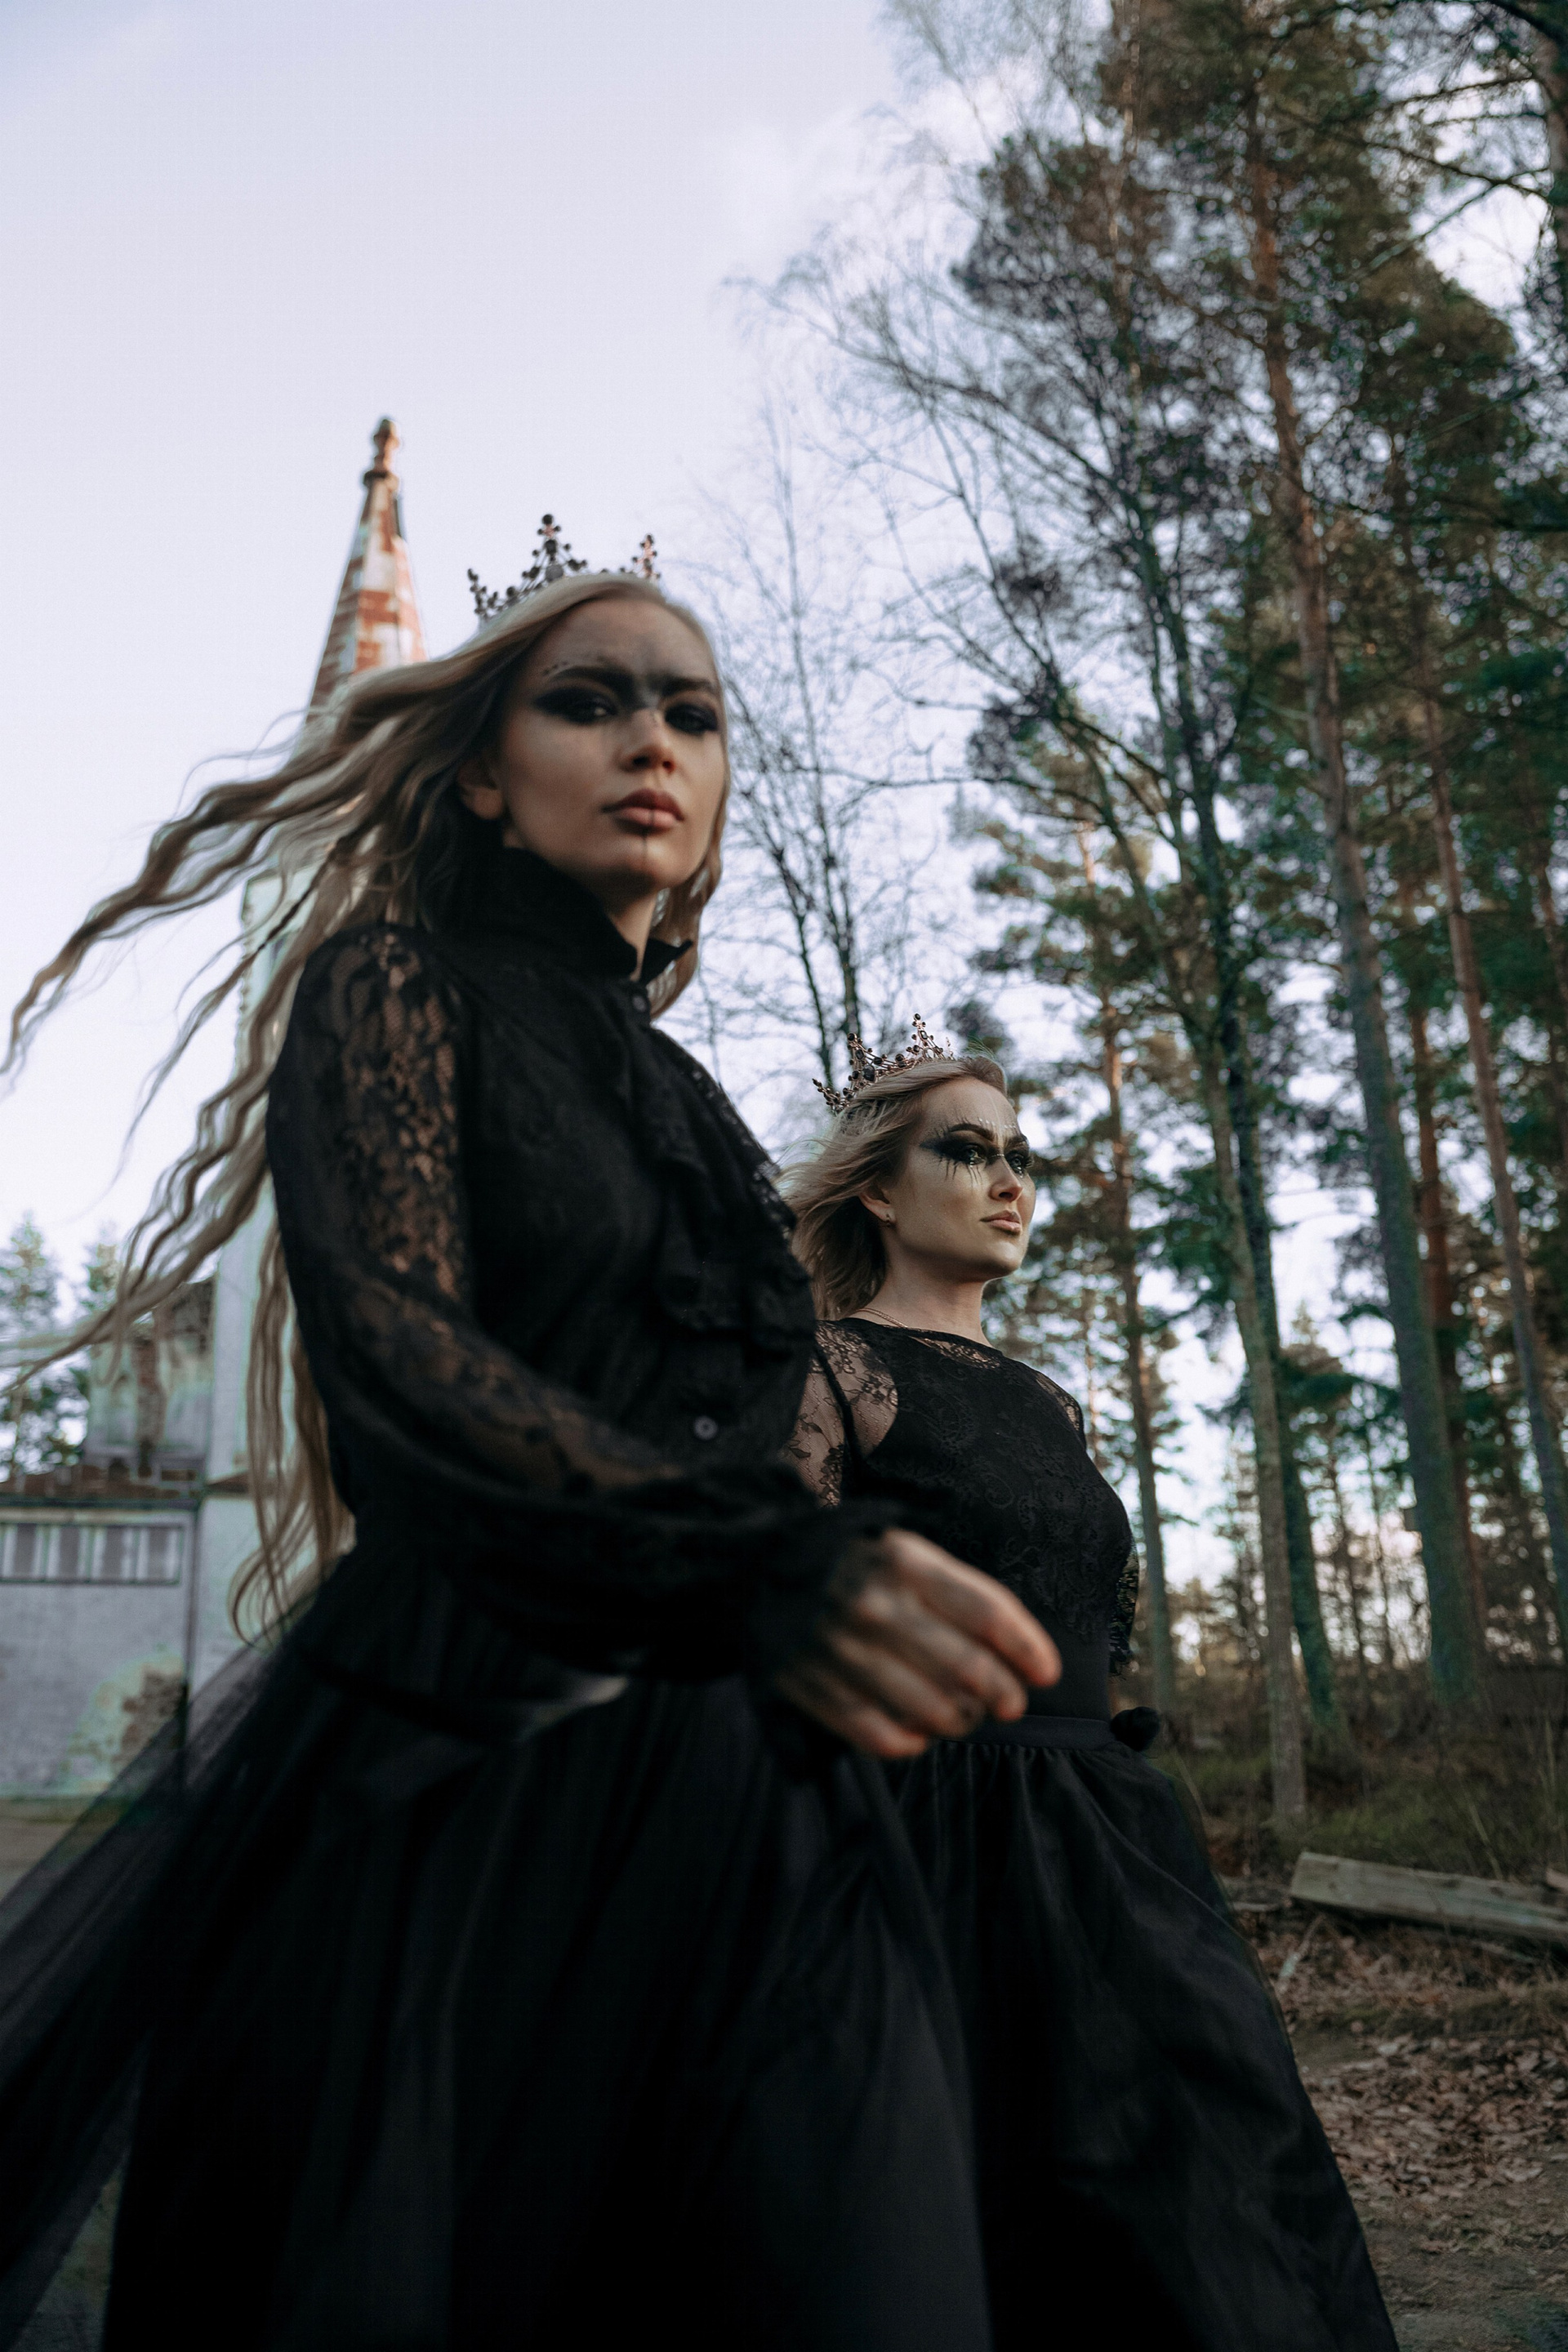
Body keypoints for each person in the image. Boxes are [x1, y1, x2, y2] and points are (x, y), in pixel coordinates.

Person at [0, 574, 1062, 2352]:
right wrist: (751, 1565)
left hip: (756, 1791)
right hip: (463, 1765)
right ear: (484, 775)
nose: (653, 738)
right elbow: (407, 1367)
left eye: (693, 713)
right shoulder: (390, 992)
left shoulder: (703, 1110)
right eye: (591, 700)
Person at [782, 1030, 1398, 2352]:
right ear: (877, 1187)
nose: (1011, 1182)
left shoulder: (1053, 1403)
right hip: (928, 1835)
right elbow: (780, 1621)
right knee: (981, 2194)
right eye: (968, 1151)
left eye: (1021, 1156)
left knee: (1202, 2170)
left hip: (1104, 1829)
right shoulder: (827, 1371)